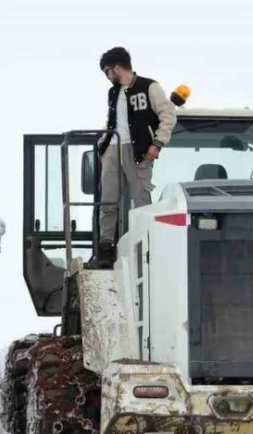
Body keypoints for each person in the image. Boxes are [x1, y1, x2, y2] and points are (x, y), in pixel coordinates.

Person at [89, 46, 177, 269]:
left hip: (139, 150)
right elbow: (112, 121)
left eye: (107, 71)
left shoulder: (149, 87)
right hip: (113, 148)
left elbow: (168, 114)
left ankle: (144, 245)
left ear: (116, 68)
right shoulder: (113, 92)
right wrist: (102, 146)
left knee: (141, 199)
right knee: (108, 199)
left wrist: (157, 143)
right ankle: (106, 247)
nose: (107, 77)